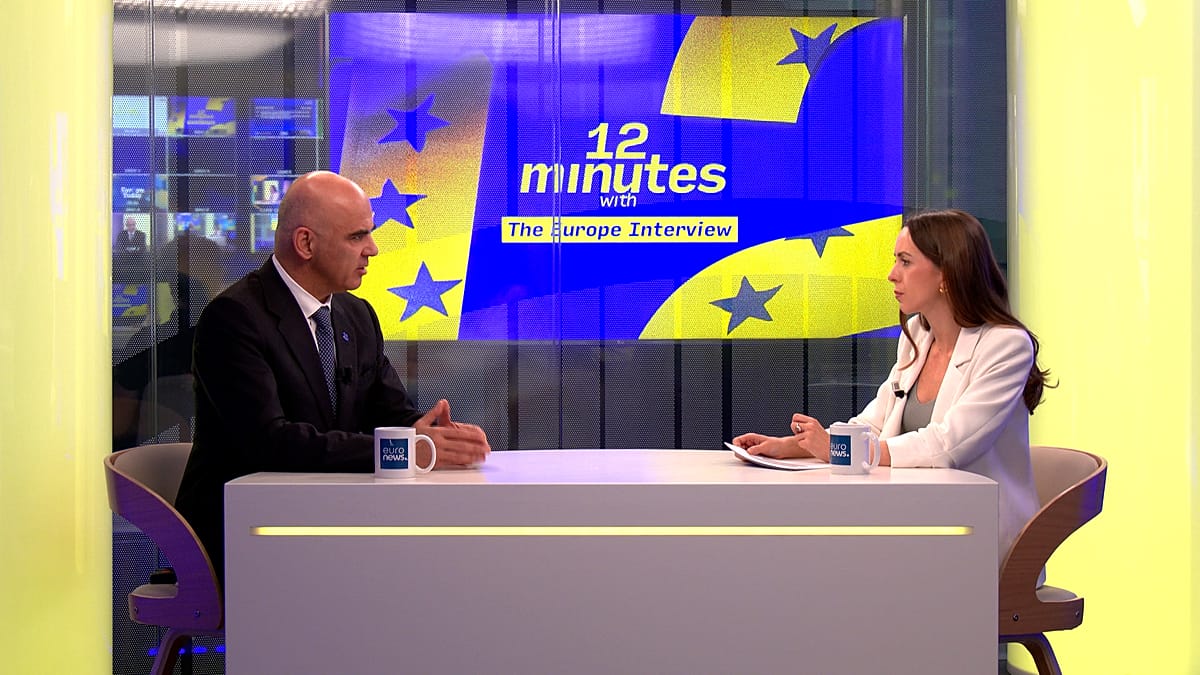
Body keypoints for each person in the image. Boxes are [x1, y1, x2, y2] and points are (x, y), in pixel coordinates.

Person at [175, 171, 491, 581]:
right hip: (242, 538)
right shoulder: (235, 319)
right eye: (358, 237)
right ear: (306, 243)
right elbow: (270, 443)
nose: (373, 249)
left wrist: (429, 433)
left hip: (328, 523)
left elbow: (389, 411)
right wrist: (403, 450)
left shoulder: (356, 315)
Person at [732, 209, 1050, 562]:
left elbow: (949, 446)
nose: (892, 274)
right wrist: (795, 447)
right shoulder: (917, 334)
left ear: (947, 273)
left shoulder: (1006, 345)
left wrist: (838, 450)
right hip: (917, 525)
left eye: (905, 262)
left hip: (980, 543)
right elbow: (873, 425)